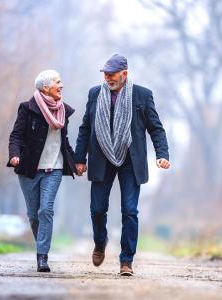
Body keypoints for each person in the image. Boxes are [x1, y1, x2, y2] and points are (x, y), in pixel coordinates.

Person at [74, 54, 170, 276]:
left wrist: (162, 154)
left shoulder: (142, 95)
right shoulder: (95, 94)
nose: (108, 78)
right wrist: (80, 159)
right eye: (105, 74)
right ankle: (100, 241)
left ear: (124, 74)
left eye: (112, 74)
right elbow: (85, 128)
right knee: (97, 210)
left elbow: (156, 128)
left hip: (130, 160)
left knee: (130, 211)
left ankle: (126, 261)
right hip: (101, 157)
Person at [7, 70, 77, 272]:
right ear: (45, 87)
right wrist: (14, 154)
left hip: (53, 168)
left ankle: (42, 257)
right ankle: (43, 244)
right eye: (58, 82)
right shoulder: (27, 109)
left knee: (46, 210)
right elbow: (16, 136)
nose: (61, 85)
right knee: (34, 215)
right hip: (29, 168)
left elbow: (64, 143)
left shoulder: (63, 111)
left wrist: (77, 161)